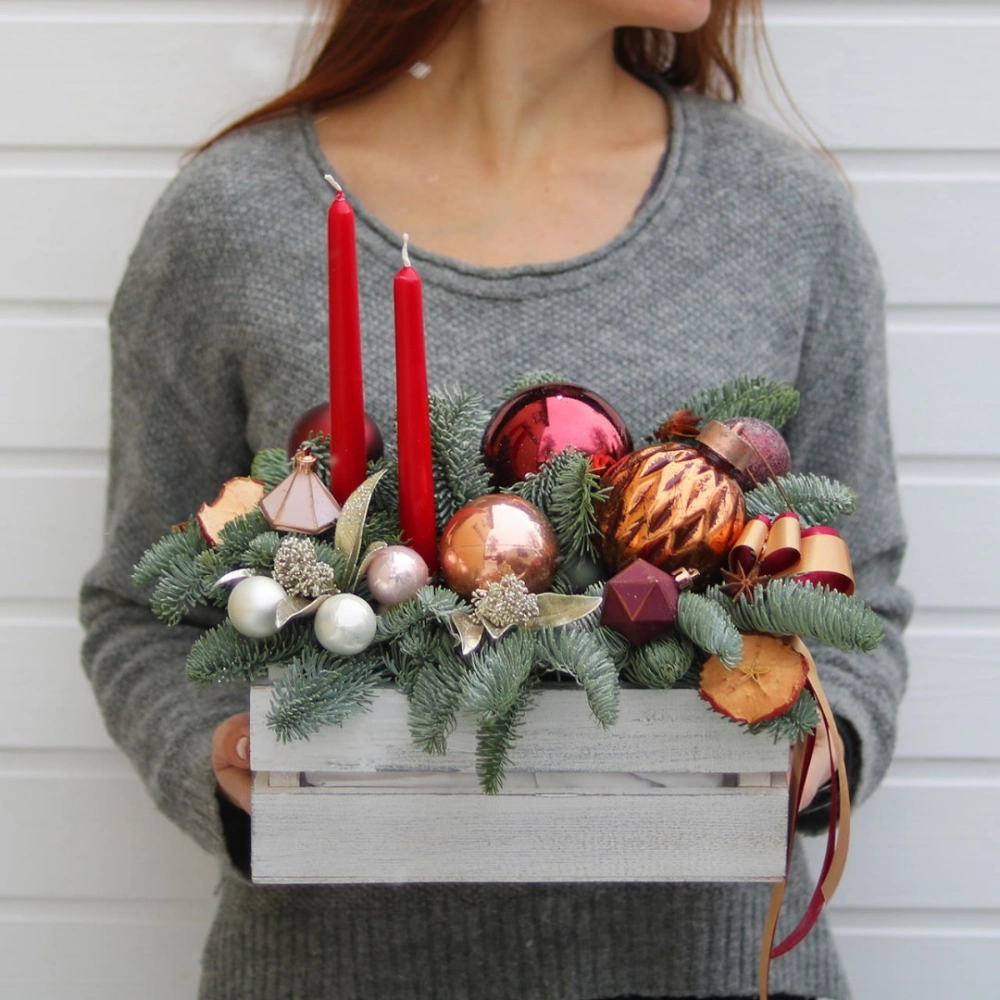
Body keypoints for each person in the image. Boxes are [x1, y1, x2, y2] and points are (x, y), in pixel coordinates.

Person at [80, 1, 912, 998]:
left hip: (716, 968)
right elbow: (142, 608)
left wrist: (818, 755)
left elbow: (859, 600)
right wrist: (221, 762)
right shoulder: (235, 220)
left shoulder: (782, 214)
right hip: (338, 972)